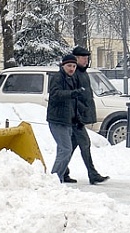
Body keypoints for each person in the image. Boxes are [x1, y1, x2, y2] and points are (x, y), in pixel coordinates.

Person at [65, 45, 109, 185]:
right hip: (76, 117)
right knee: (85, 144)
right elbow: (74, 97)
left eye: (87, 58)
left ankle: (61, 172)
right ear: (76, 58)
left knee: (70, 146)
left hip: (80, 116)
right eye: (84, 58)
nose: (86, 60)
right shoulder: (74, 73)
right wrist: (79, 113)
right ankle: (93, 174)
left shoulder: (83, 73)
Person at [46, 54, 85, 182]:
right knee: (66, 149)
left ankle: (59, 175)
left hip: (68, 121)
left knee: (63, 150)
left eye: (74, 66)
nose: (71, 68)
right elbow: (56, 94)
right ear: (63, 66)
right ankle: (54, 178)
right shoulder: (57, 78)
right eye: (69, 66)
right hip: (57, 120)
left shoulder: (71, 79)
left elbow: (72, 103)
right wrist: (73, 93)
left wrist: (77, 118)